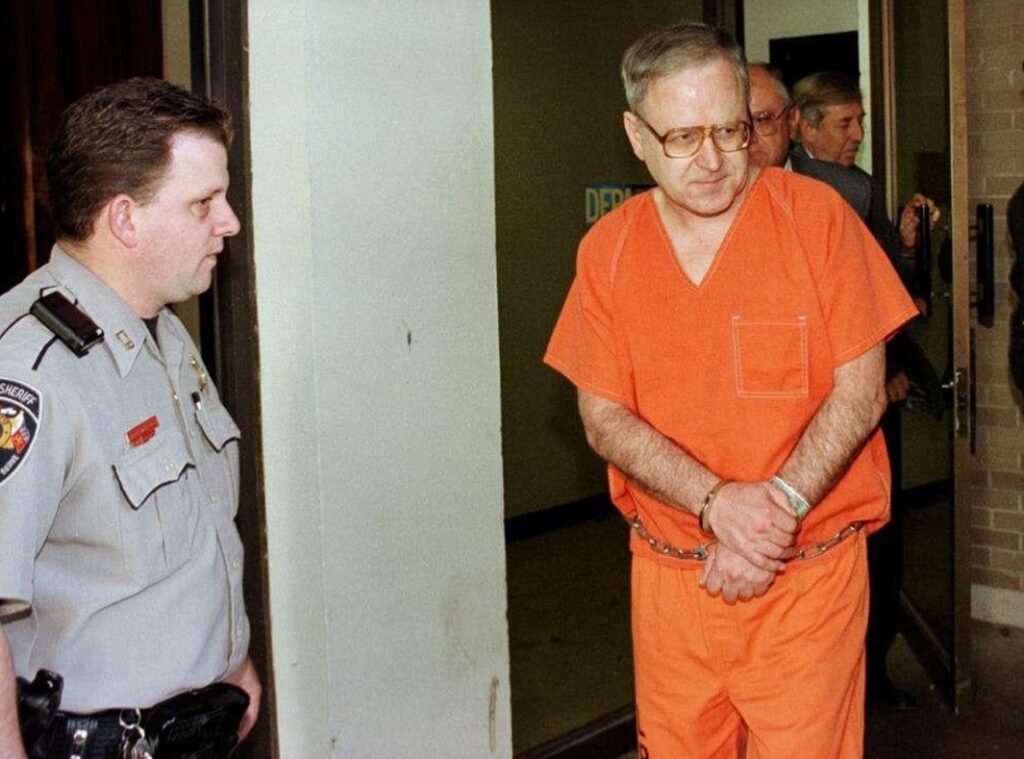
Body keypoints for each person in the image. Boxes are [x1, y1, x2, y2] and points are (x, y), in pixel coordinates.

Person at [545, 22, 917, 757]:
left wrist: (774, 511)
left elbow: (862, 389)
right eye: (682, 136)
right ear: (636, 134)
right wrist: (716, 502)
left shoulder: (819, 222)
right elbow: (603, 415)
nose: (713, 160)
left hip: (805, 576)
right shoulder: (609, 251)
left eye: (730, 129)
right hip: (674, 581)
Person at [0, 78, 260, 758]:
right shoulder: (30, 371)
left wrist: (229, 661)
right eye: (204, 202)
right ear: (125, 219)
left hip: (199, 724)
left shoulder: (160, 331)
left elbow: (182, 535)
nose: (228, 220)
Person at [788, 69, 944, 711]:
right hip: (821, 402)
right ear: (806, 125)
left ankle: (869, 676)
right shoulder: (785, 194)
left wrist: (908, 245)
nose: (858, 135)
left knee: (879, 537)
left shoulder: (859, 188)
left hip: (879, 388)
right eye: (845, 123)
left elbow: (885, 287)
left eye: (860, 122)